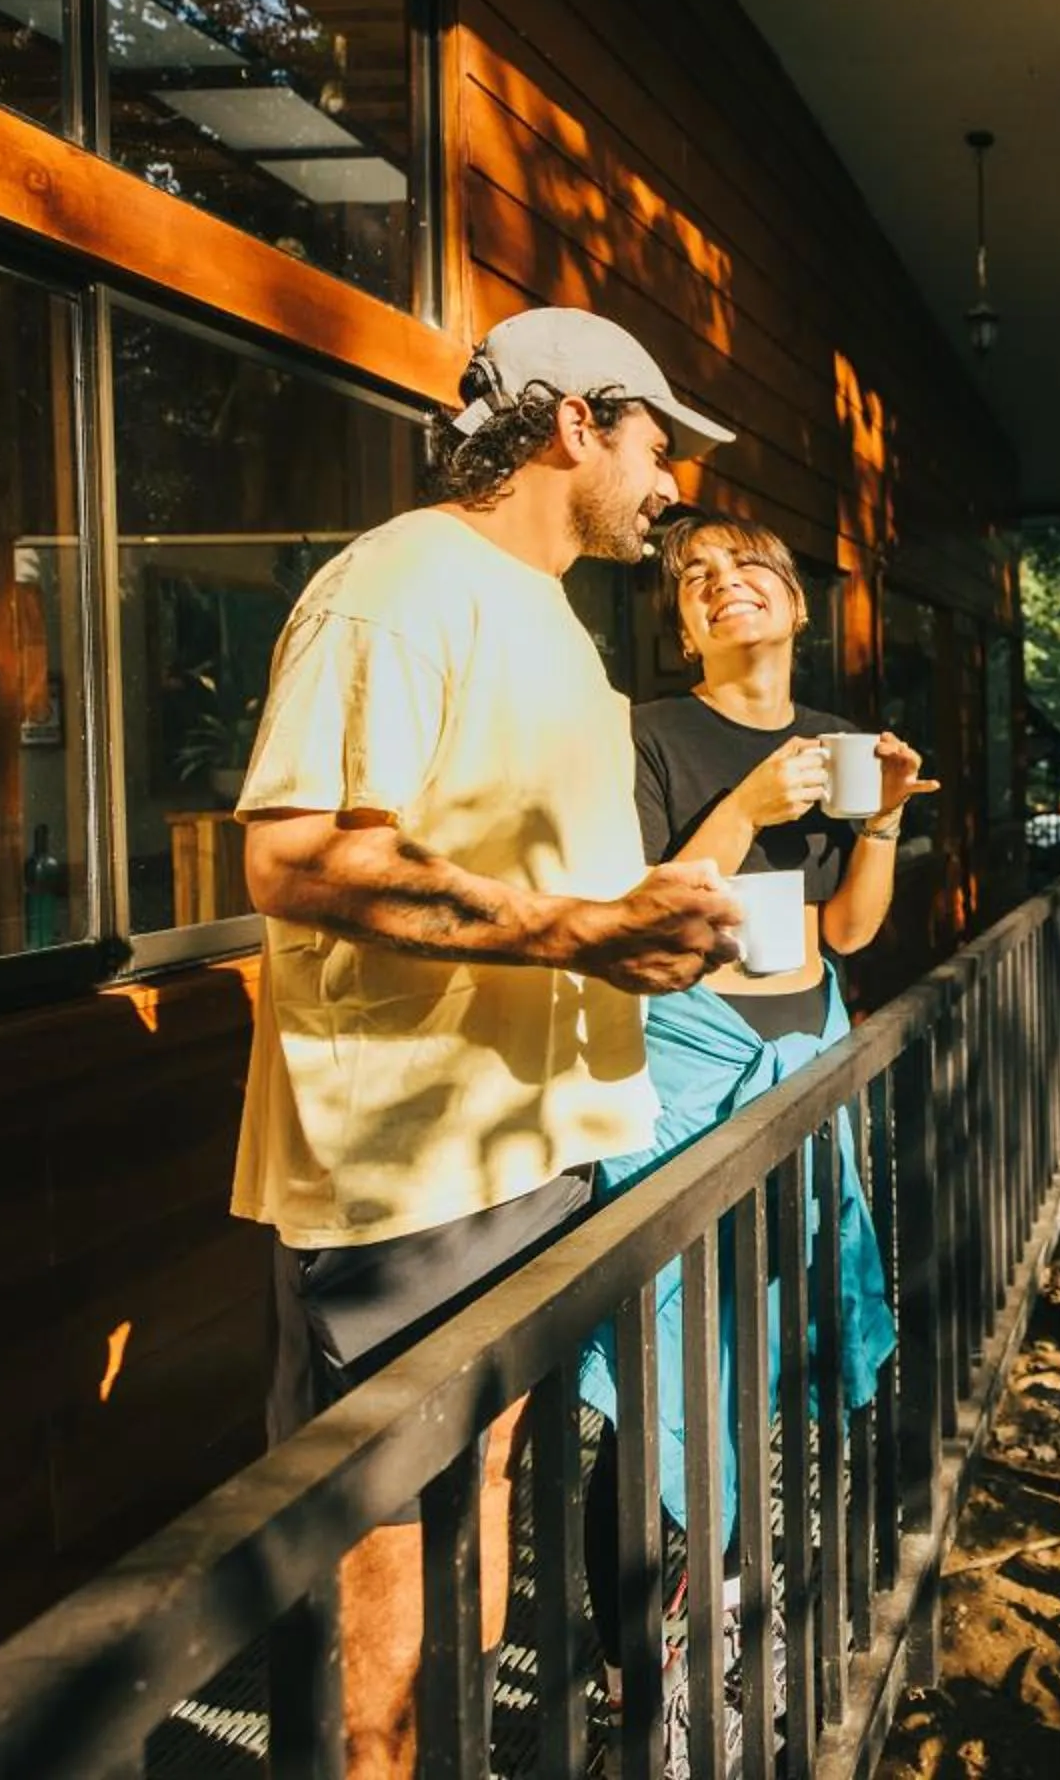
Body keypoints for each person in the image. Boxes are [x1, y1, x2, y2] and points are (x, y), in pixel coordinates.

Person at [233, 305, 745, 1780]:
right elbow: (298, 861)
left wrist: (642, 930)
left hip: (540, 1143)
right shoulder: (397, 585)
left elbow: (544, 880)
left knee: (485, 1488)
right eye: (658, 447)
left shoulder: (557, 622)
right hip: (412, 1170)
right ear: (576, 421)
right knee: (381, 1545)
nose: (670, 487)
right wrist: (582, 935)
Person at [576, 515, 928, 1691]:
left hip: (802, 1047)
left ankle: (726, 1604)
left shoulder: (836, 739)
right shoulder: (648, 734)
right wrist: (752, 805)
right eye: (698, 580)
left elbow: (849, 931)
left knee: (761, 1334)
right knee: (660, 1353)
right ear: (683, 628)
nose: (729, 585)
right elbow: (638, 905)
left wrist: (881, 813)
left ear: (797, 603)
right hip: (683, 1057)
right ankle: (640, 1660)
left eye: (752, 568)